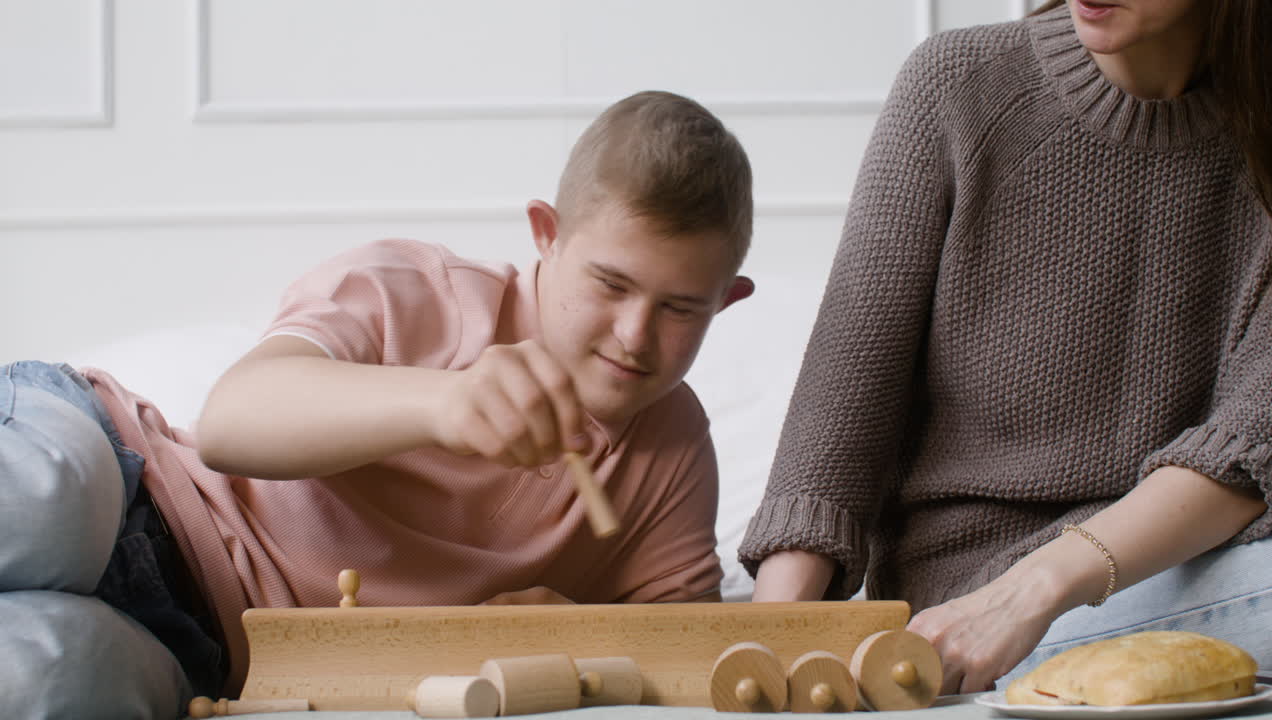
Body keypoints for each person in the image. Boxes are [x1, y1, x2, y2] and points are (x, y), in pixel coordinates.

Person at [0, 90, 755, 719]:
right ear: (546, 235)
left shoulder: (674, 455)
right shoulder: (412, 289)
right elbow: (232, 423)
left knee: (50, 676)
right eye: (612, 285)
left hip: (206, 651)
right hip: (134, 481)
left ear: (728, 302)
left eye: (681, 308)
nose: (634, 335)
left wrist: (576, 633)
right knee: (50, 503)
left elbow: (688, 659)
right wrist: (442, 403)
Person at [740, 0, 1272, 696]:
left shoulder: (1265, 128)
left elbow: (1255, 441)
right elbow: (830, 447)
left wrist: (1038, 588)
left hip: (1156, 575)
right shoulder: (956, 85)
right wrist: (763, 658)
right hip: (959, 616)